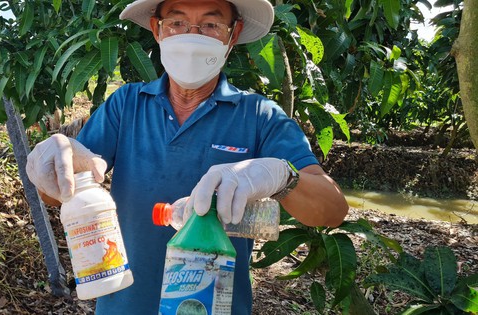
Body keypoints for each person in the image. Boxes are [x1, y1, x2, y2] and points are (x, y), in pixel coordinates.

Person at [26, 0, 349, 313]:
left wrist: (280, 175)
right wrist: (51, 167)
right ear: (157, 29)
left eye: (210, 24)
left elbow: (332, 210)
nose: (192, 36)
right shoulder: (126, 104)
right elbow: (60, 192)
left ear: (232, 34)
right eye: (177, 23)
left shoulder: (260, 117)